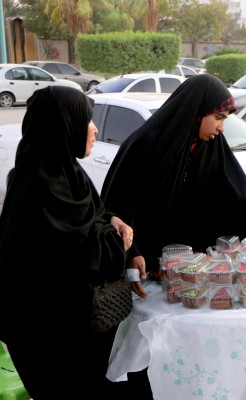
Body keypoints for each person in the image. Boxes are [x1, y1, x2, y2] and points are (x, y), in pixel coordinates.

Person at [102, 74, 246, 299]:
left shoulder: (212, 147)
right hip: (144, 272)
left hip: (193, 274)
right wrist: (131, 254)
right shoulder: (146, 145)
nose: (221, 127)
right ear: (197, 112)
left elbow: (244, 202)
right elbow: (118, 206)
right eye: (218, 117)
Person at [0, 86, 134, 399]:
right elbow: (75, 252)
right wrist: (117, 243)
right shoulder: (39, 187)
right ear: (64, 125)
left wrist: (111, 220)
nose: (95, 128)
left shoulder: (69, 173)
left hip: (75, 327)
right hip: (48, 333)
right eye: (87, 119)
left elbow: (93, 217)